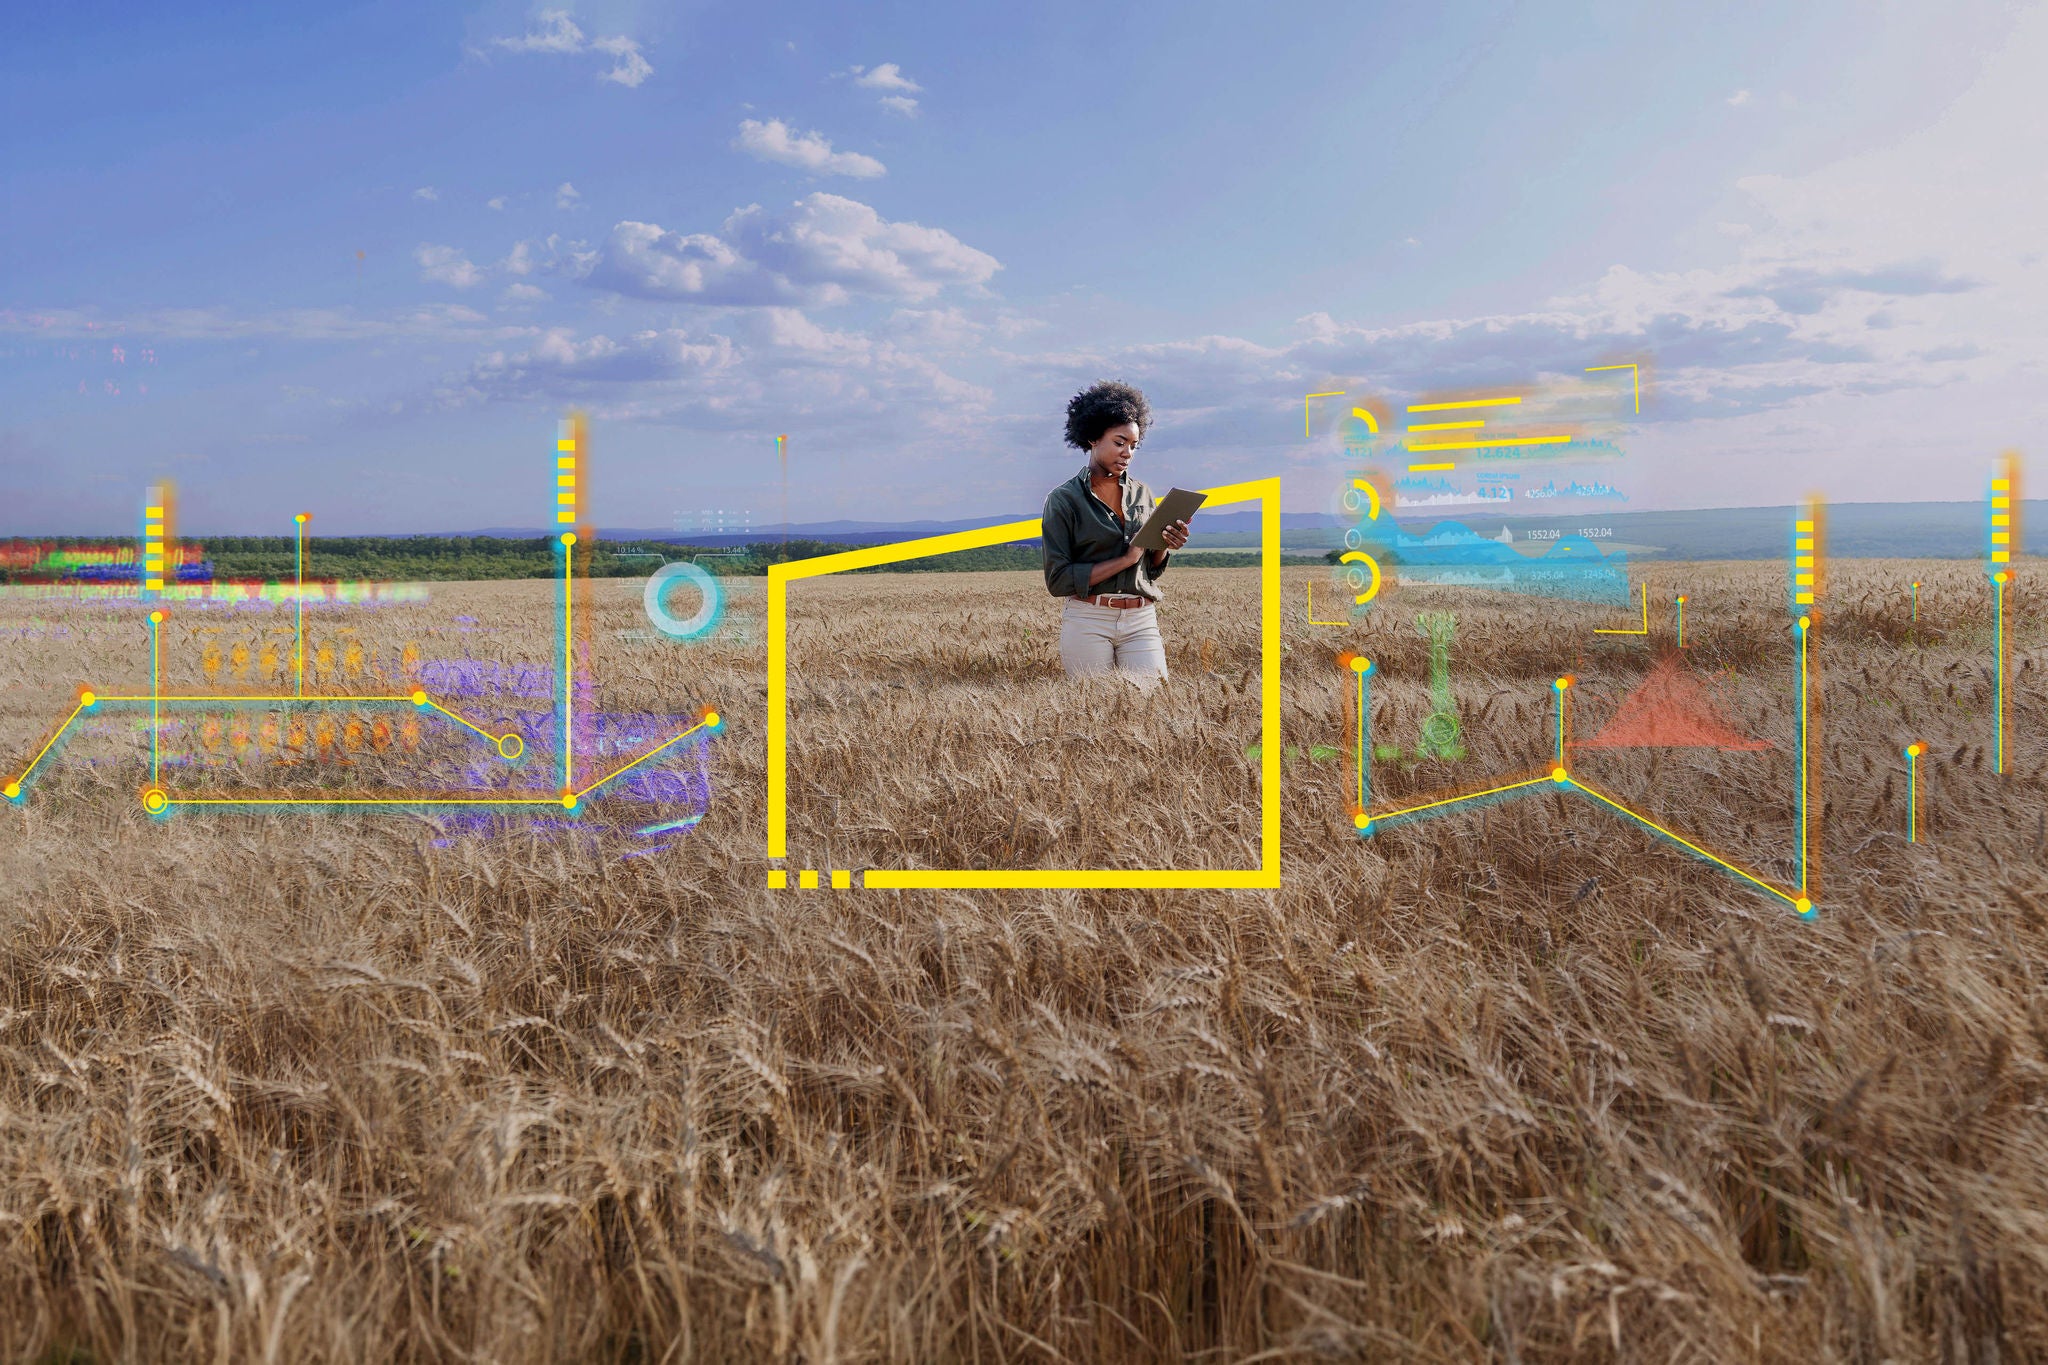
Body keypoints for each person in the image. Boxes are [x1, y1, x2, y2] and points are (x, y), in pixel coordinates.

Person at [1040, 380, 1190, 682]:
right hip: (1088, 619)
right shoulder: (1063, 500)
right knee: (1094, 711)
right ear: (1094, 438)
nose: (1128, 453)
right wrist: (1124, 559)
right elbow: (1058, 580)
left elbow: (1149, 570)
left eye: (1134, 446)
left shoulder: (1143, 494)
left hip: (1141, 618)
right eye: (1120, 442)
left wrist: (1163, 546)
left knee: (1153, 706)